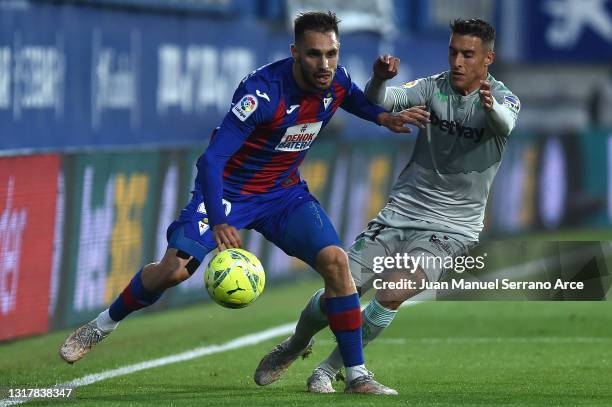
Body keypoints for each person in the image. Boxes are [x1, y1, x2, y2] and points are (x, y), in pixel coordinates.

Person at [59, 11, 417, 395]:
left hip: (283, 194)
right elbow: (211, 161)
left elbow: (354, 100)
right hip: (229, 193)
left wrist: (383, 117)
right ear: (296, 52)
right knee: (174, 271)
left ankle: (357, 375)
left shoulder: (337, 80)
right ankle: (102, 325)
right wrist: (217, 220)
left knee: (336, 261)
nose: (325, 64)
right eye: (315, 54)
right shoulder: (262, 94)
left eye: (332, 54)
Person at [256, 18, 521, 393]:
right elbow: (382, 100)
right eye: (453, 52)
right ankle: (296, 344)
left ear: (487, 59)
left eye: (468, 54)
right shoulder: (433, 87)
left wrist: (490, 107)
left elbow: (506, 124)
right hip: (401, 213)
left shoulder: (503, 98)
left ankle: (332, 371)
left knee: (393, 292)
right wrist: (379, 79)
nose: (458, 61)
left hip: (452, 227)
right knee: (342, 288)